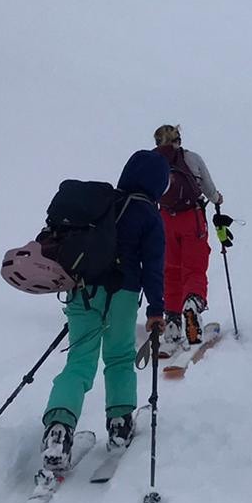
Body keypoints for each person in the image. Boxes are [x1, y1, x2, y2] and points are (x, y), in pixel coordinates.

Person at [40, 149, 170, 471]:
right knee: (119, 357)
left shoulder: (103, 205)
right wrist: (156, 309)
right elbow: (153, 267)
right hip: (123, 294)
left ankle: (59, 427)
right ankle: (120, 423)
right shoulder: (149, 215)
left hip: (81, 290)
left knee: (79, 361)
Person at [152, 123, 224, 356]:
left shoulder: (151, 162)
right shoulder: (191, 159)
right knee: (194, 269)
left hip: (164, 221)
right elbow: (210, 190)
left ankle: (172, 324)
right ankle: (192, 306)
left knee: (170, 270)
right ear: (179, 140)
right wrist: (217, 199)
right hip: (191, 219)